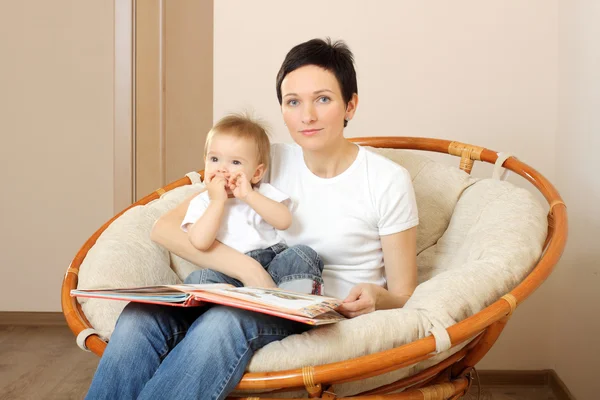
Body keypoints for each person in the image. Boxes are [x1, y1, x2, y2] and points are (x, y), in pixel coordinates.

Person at [85, 38, 419, 400]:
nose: (307, 116)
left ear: (349, 105)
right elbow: (164, 228)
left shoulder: (387, 180)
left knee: (222, 324)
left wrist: (377, 297)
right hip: (249, 292)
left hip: (314, 306)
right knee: (141, 317)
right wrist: (248, 270)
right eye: (293, 102)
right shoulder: (264, 160)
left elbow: (403, 293)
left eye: (323, 99)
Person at [182, 113, 324, 295]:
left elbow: (284, 221)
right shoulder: (202, 202)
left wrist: (248, 195)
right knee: (198, 279)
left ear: (256, 173)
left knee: (302, 254)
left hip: (273, 263)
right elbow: (200, 242)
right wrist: (217, 201)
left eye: (235, 162)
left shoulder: (260, 193)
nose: (222, 168)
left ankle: (296, 306)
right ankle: (239, 308)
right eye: (214, 159)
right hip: (230, 274)